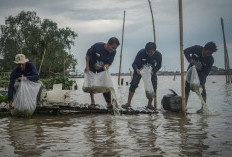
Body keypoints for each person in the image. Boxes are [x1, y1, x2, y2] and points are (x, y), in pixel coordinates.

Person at [121, 42, 162, 110]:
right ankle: (128, 103)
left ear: (155, 50)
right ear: (145, 50)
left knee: (153, 86)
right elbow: (134, 64)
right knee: (134, 84)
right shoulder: (141, 52)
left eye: (151, 52)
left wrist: (153, 71)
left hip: (150, 72)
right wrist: (136, 69)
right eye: (148, 52)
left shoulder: (158, 55)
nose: (149, 54)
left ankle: (149, 105)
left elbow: (159, 66)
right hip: (139, 71)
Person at [85, 37, 120, 109]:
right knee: (90, 84)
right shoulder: (97, 46)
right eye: (112, 48)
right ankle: (93, 102)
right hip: (91, 66)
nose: (113, 50)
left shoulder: (113, 52)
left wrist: (107, 65)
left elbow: (109, 62)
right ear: (108, 44)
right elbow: (88, 55)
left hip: (102, 67)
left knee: (105, 84)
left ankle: (109, 103)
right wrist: (87, 66)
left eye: (115, 48)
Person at [184, 41, 217, 113]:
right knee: (187, 88)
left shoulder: (210, 59)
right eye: (208, 52)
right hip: (191, 71)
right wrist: (190, 59)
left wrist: (201, 84)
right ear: (204, 48)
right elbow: (185, 51)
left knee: (203, 91)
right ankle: (184, 106)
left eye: (211, 53)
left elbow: (205, 73)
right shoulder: (197, 48)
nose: (209, 55)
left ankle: (203, 108)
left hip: (201, 73)